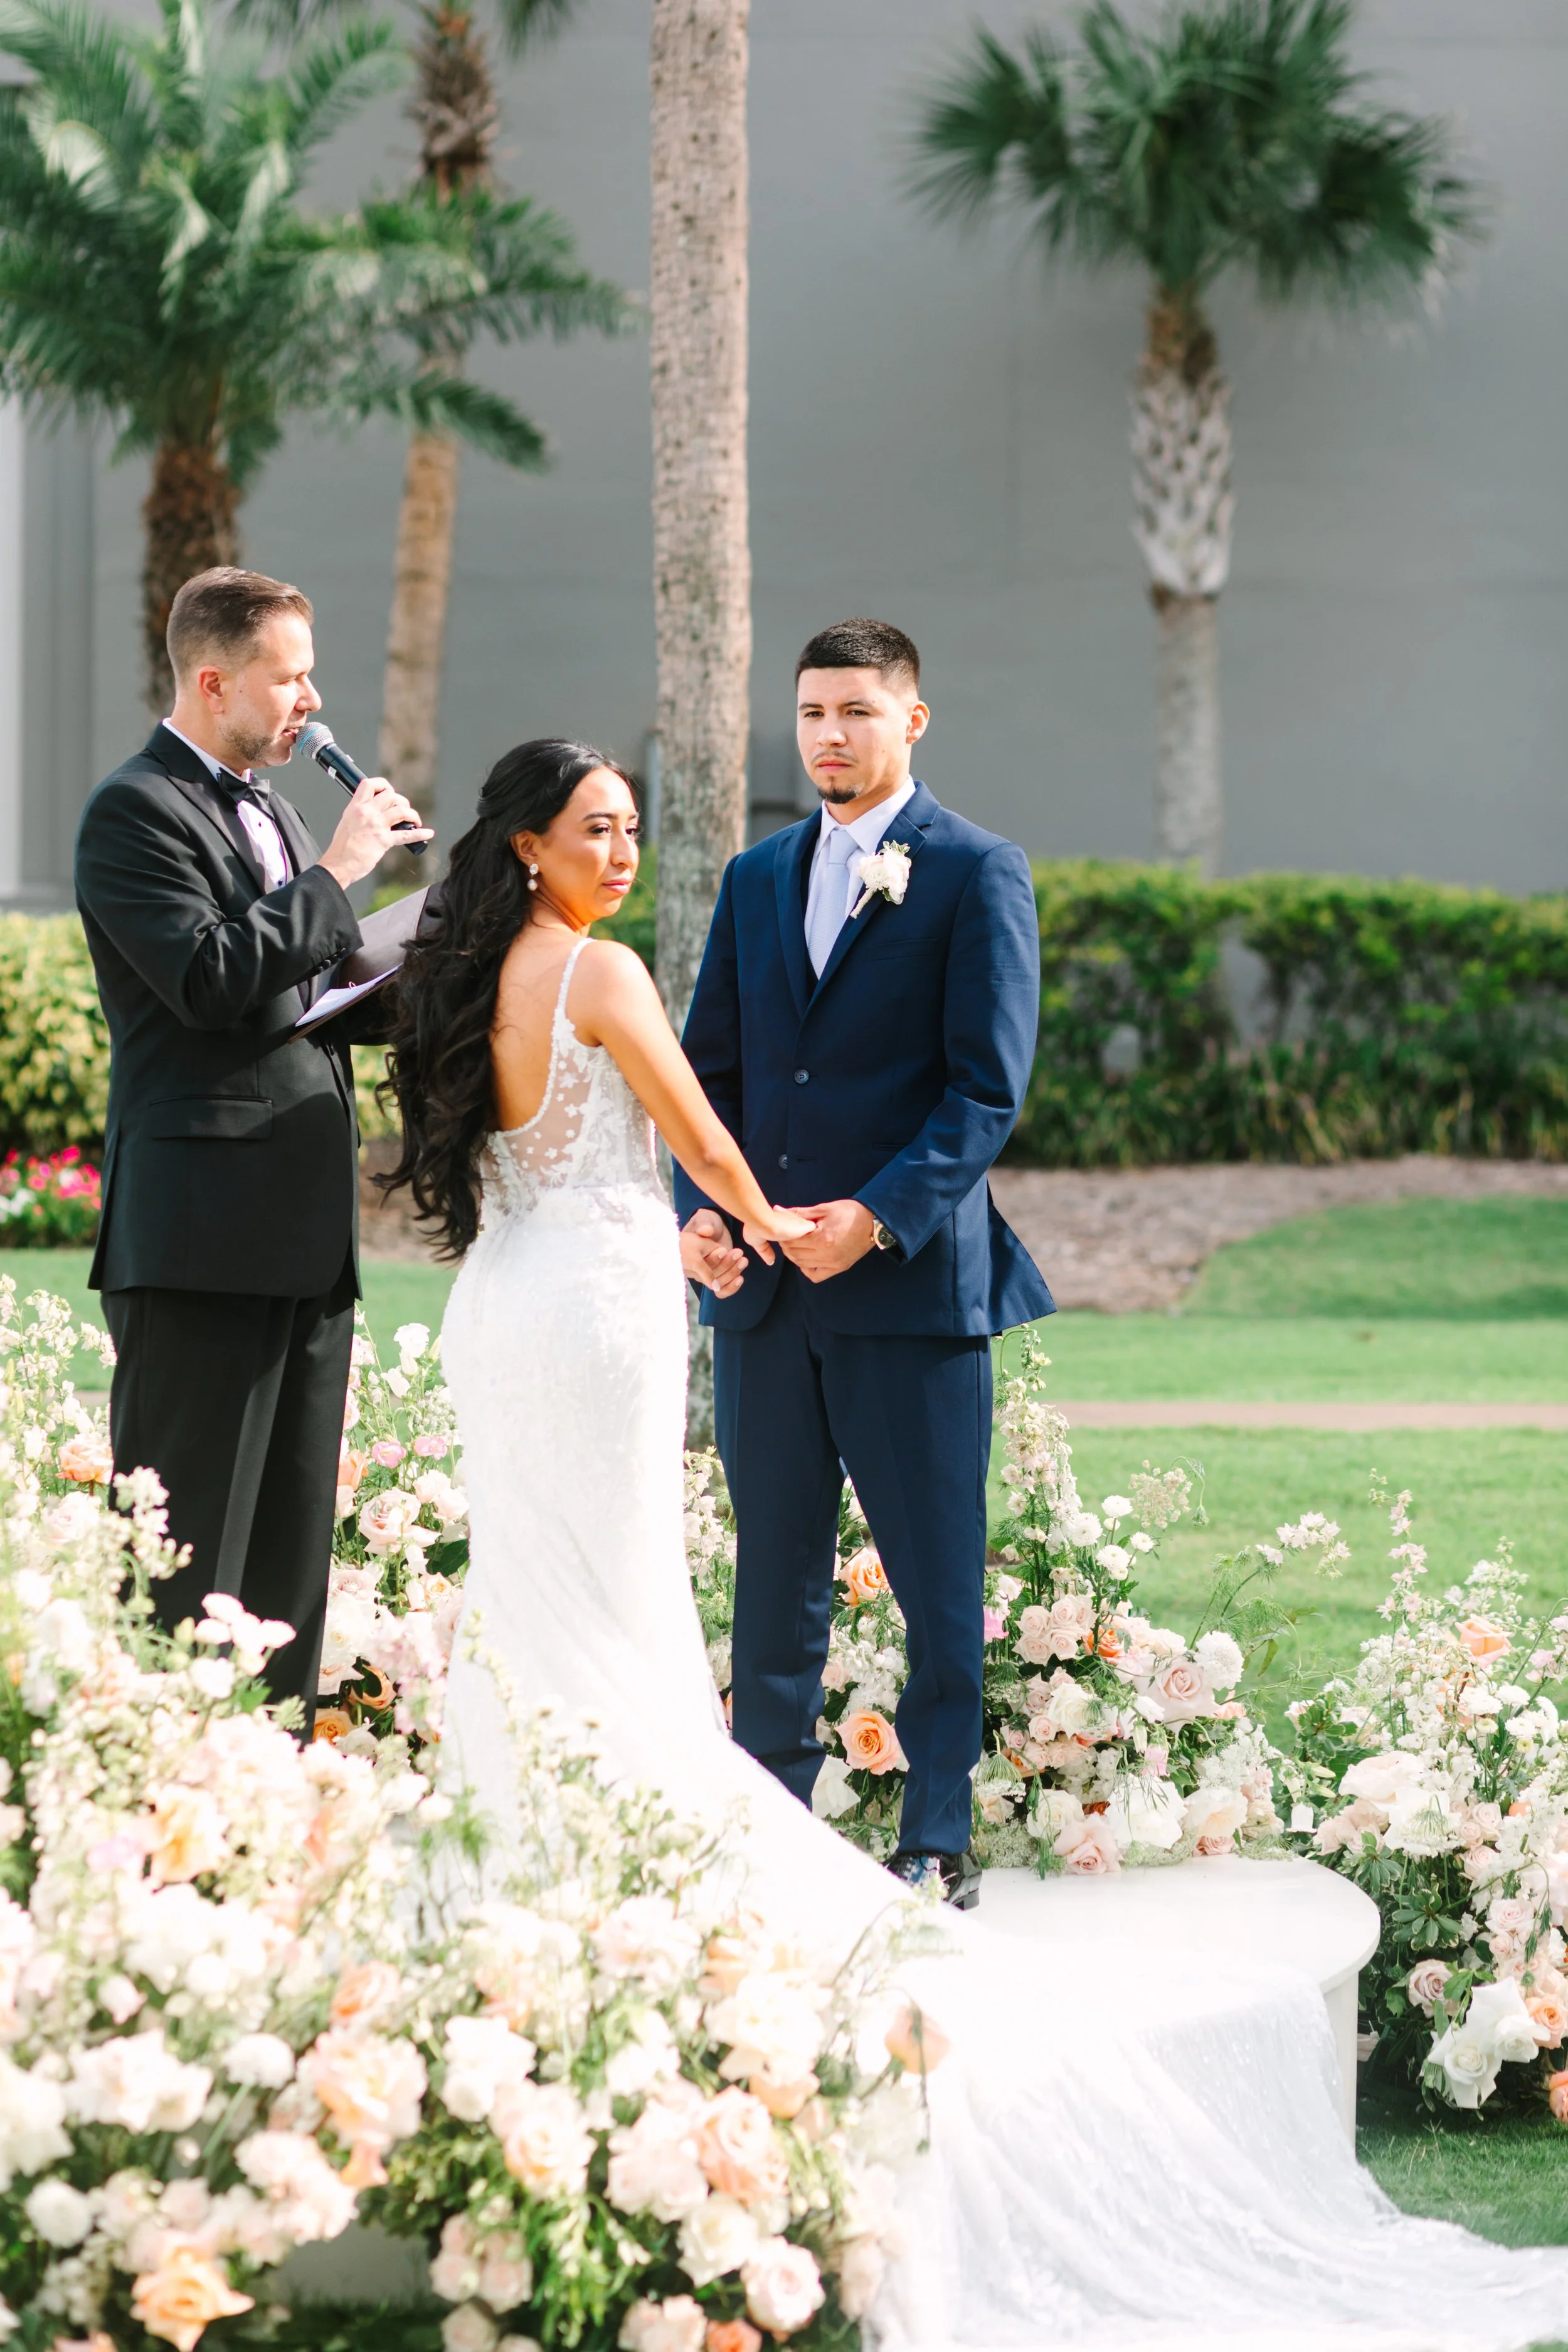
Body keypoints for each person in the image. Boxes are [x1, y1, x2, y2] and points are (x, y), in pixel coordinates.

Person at [387, 731, 1568, 2352]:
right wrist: (770, 1220)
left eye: (628, 825)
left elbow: (497, 1156)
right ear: (527, 842)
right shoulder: (594, 973)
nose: (620, 849)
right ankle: (668, 1872)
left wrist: (709, 1228)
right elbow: (693, 1132)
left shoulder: (463, 977)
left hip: (502, 1302)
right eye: (594, 828)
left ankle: (518, 1866)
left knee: (543, 1591)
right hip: (595, 1310)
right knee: (622, 1595)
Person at [675, 618, 1051, 1905]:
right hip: (766, 1302)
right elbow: (709, 1078)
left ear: (911, 721)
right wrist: (705, 1213)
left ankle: (935, 1836)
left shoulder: (975, 872)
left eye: (855, 712)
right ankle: (770, 1823)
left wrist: (876, 1217)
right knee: (771, 1577)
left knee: (937, 1585)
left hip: (907, 1294)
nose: (829, 737)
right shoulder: (754, 877)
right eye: (812, 715)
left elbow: (983, 1091)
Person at [74, 565, 431, 1719]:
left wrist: (407, 967)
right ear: (215, 678)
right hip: (198, 1238)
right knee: (185, 1561)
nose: (309, 705)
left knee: (287, 1557)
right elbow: (211, 979)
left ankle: (273, 1808)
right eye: (290, 679)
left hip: (305, 1234)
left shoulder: (269, 809)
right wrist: (338, 873)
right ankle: (161, 1814)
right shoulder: (133, 812)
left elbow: (299, 987)